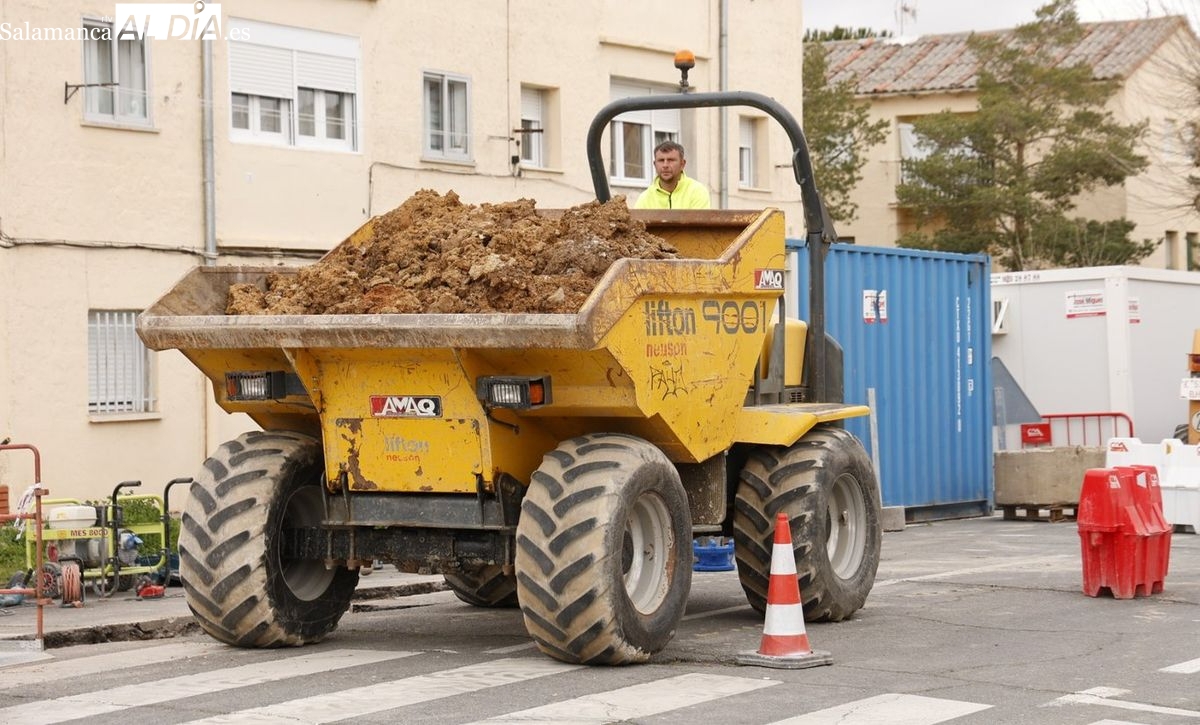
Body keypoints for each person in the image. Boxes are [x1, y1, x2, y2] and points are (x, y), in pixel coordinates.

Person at [633, 141, 711, 209]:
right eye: (661, 160)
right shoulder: (645, 198)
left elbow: (699, 225)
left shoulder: (697, 192)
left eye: (671, 160)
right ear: (654, 164)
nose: (665, 165)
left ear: (682, 164)